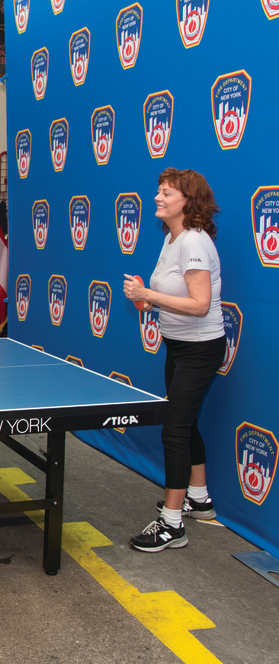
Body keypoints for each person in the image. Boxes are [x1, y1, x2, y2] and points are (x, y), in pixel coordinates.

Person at [124, 168, 226, 554]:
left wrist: (149, 294)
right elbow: (173, 294)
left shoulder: (193, 242)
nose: (158, 197)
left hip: (199, 349)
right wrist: (147, 299)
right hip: (178, 346)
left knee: (174, 430)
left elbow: (200, 305)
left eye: (167, 193)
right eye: (159, 191)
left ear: (188, 201)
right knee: (186, 423)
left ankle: (172, 525)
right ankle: (198, 499)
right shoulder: (172, 237)